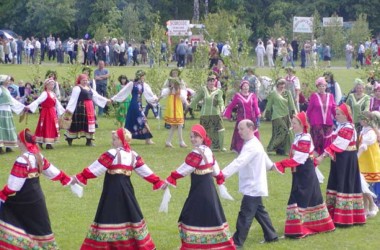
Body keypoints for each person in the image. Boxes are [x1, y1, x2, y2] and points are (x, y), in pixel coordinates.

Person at [73, 128, 164, 249]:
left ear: (122, 140)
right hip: (127, 191)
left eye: (115, 139)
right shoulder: (133, 155)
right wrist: (157, 181)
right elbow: (145, 172)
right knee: (130, 214)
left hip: (113, 191)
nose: (112, 142)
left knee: (108, 215)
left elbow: (97, 168)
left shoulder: (113, 153)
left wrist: (80, 177)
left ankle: (107, 245)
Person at [0, 128, 74, 249]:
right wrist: (66, 179)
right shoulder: (38, 156)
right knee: (39, 226)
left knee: (9, 215)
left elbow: (13, 187)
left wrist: (2, 195)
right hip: (37, 198)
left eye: (18, 140)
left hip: (23, 200)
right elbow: (52, 171)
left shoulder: (22, 160)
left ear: (21, 142)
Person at [165, 124, 235, 249]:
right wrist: (219, 178)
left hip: (200, 189)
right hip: (209, 188)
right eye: (191, 137)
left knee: (191, 214)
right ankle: (219, 243)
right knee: (211, 215)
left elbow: (186, 168)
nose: (193, 139)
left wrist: (171, 178)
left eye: (196, 137)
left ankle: (194, 244)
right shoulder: (207, 150)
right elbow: (215, 169)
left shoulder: (196, 152)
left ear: (202, 138)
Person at [274, 112, 335, 238]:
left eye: (295, 123)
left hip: (304, 173)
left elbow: (299, 159)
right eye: (292, 123)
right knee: (312, 198)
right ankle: (321, 225)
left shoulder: (305, 138)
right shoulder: (299, 136)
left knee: (299, 198)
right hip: (302, 172)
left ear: (302, 124)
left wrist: (280, 164)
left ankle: (296, 230)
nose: (293, 125)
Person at [221, 120, 278, 247]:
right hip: (254, 185)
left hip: (253, 186)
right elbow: (265, 160)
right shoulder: (253, 143)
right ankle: (271, 235)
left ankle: (237, 242)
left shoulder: (252, 145)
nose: (239, 131)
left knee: (245, 215)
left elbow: (239, 162)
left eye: (241, 129)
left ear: (250, 128)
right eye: (238, 129)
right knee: (259, 211)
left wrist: (222, 174)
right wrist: (271, 166)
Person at [315, 103, 366, 226]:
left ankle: (345, 218)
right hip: (339, 159)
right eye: (336, 113)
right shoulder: (340, 126)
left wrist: (323, 156)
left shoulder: (348, 127)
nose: (336, 116)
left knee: (345, 184)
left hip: (347, 160)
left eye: (338, 114)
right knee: (337, 183)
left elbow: (339, 144)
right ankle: (336, 215)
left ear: (345, 115)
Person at [111, 70, 157, 145]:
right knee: (143, 120)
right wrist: (114, 98)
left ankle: (126, 138)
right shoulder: (132, 84)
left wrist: (154, 98)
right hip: (134, 104)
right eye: (142, 76)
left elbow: (149, 93)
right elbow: (123, 92)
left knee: (132, 121)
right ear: (139, 76)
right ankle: (147, 139)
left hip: (139, 105)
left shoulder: (143, 85)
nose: (144, 77)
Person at [64, 74, 110, 147]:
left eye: (86, 80)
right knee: (77, 124)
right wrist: (69, 110)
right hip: (80, 108)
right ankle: (70, 138)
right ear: (80, 80)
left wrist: (106, 100)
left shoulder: (89, 88)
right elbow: (73, 99)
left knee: (90, 124)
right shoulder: (77, 88)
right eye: (83, 80)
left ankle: (89, 141)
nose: (85, 82)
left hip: (90, 108)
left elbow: (96, 96)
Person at [26, 78, 65, 150]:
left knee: (51, 126)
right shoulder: (45, 93)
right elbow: (38, 101)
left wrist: (63, 111)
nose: (52, 86)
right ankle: (46, 143)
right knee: (46, 126)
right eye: (50, 84)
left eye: (53, 84)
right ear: (46, 85)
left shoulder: (53, 94)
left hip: (52, 112)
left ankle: (48, 142)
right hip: (46, 112)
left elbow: (57, 104)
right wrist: (30, 106)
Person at [190, 74, 226, 151]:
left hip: (215, 113)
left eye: (213, 81)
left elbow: (221, 101)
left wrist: (222, 109)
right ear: (207, 82)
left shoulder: (219, 91)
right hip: (204, 114)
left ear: (215, 82)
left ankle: (219, 147)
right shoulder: (203, 90)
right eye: (210, 81)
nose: (211, 83)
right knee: (205, 131)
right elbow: (196, 99)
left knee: (220, 130)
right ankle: (205, 146)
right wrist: (190, 107)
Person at [223, 80, 261, 153]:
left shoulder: (252, 95)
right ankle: (239, 148)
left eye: (247, 86)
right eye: (244, 86)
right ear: (241, 87)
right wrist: (226, 114)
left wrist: (258, 114)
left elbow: (256, 106)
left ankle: (256, 148)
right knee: (240, 133)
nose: (246, 87)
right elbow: (231, 106)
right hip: (241, 118)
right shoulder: (237, 96)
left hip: (251, 118)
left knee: (254, 133)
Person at [265, 78, 297, 155]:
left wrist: (293, 113)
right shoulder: (273, 93)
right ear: (277, 85)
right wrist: (267, 114)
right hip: (276, 116)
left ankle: (281, 150)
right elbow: (269, 105)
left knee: (286, 133)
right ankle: (271, 147)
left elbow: (291, 104)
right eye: (280, 84)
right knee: (283, 131)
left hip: (286, 115)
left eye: (283, 84)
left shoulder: (287, 93)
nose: (282, 86)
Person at [357, 111, 380, 216]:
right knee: (363, 185)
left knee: (366, 185)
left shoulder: (370, 132)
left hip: (370, 161)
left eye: (362, 118)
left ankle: (371, 205)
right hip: (364, 161)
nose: (360, 120)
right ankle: (367, 207)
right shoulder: (363, 130)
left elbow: (364, 146)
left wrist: (356, 156)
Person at [306, 77, 336, 155]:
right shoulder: (314, 96)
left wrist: (337, 116)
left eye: (323, 86)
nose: (322, 87)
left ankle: (326, 152)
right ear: (317, 87)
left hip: (328, 121)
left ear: (326, 86)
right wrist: (307, 118)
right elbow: (310, 108)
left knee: (327, 137)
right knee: (318, 137)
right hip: (316, 121)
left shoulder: (330, 96)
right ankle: (316, 151)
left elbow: (333, 108)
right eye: (320, 86)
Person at [159, 69, 188, 148]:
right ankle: (181, 142)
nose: (175, 74)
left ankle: (169, 141)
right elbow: (165, 91)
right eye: (173, 73)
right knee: (179, 123)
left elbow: (184, 91)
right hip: (172, 101)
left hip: (178, 101)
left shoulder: (180, 81)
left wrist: (185, 101)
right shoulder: (169, 81)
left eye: (176, 73)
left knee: (176, 124)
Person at [0, 75, 25, 154]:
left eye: (9, 81)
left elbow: (12, 101)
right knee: (1, 130)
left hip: (7, 111)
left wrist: (23, 107)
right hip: (1, 111)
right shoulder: (0, 89)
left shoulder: (6, 90)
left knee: (9, 129)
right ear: (3, 81)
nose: (9, 82)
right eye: (7, 80)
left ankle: (8, 146)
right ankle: (0, 148)